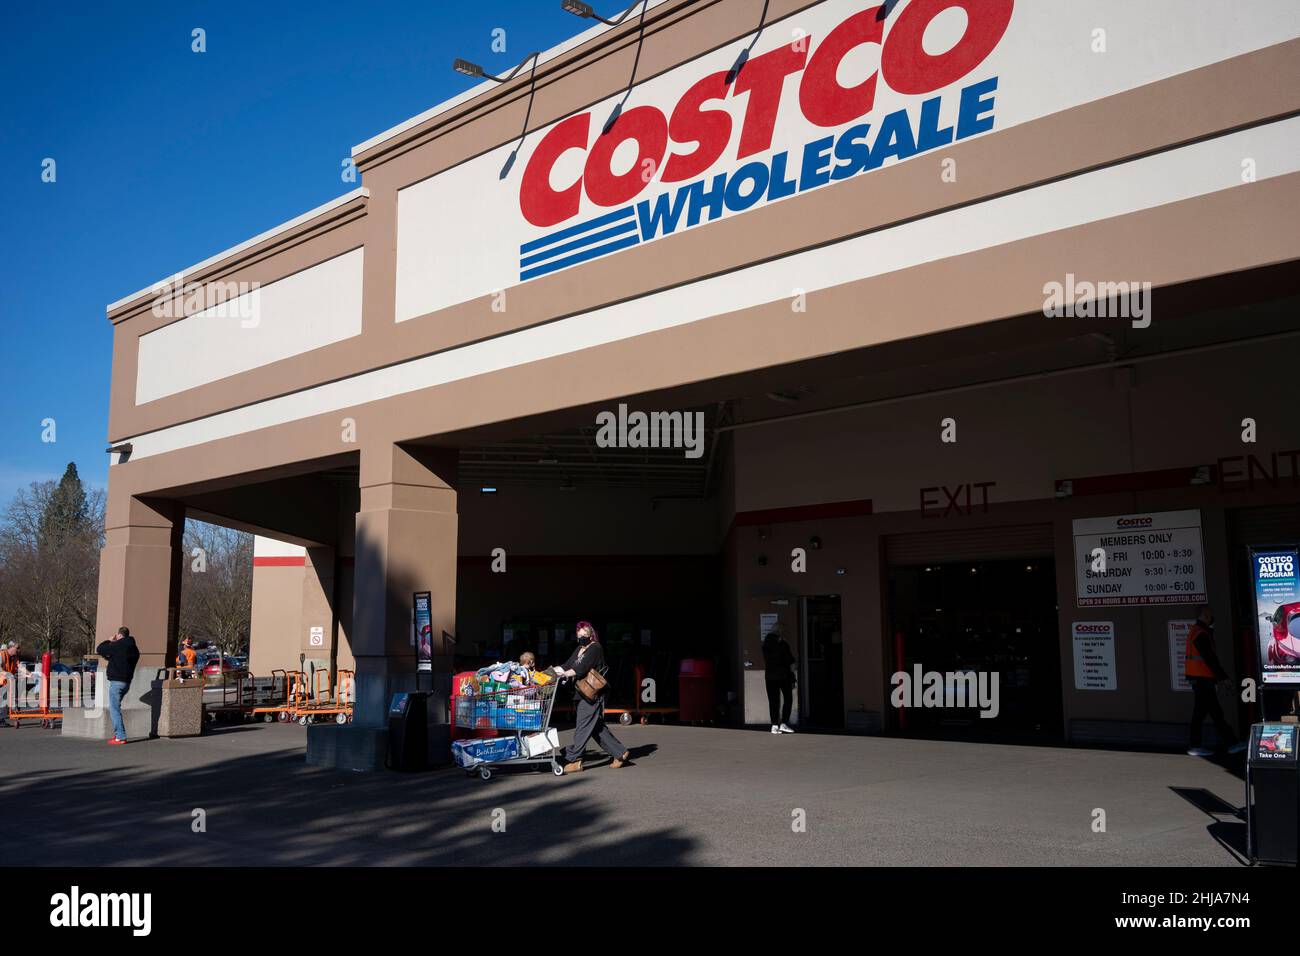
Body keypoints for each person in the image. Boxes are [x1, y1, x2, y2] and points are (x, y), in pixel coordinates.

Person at [556, 621, 629, 772]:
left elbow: (580, 669)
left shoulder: (595, 648)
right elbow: (567, 664)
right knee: (596, 727)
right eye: (580, 634)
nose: (582, 637)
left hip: (592, 694)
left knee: (582, 726)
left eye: (585, 634)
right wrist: (549, 672)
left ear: (591, 635)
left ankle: (574, 759)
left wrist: (564, 674)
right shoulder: (580, 649)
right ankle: (620, 753)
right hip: (581, 693)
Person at [1185, 605, 1246, 757]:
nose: (1212, 617)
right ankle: (1231, 744)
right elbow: (1210, 660)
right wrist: (1224, 678)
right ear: (1205, 615)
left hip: (1198, 679)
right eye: (1210, 614)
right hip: (1203, 679)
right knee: (1214, 713)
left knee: (1205, 713)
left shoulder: (1196, 631)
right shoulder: (1201, 633)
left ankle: (1197, 745)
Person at [96, 626, 140, 745]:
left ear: (119, 635)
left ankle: (120, 736)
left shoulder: (117, 645)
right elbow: (119, 658)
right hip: (127, 682)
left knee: (114, 709)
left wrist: (110, 641)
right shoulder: (134, 649)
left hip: (116, 682)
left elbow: (100, 649)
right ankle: (119, 735)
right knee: (116, 707)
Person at [762, 631, 797, 734]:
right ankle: (784, 723)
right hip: (783, 676)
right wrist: (793, 676)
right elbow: (790, 661)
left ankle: (774, 725)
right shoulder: (783, 645)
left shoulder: (765, 647)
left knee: (773, 701)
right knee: (788, 699)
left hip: (770, 677)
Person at [0, 640, 18, 726]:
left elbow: (19, 667)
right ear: (11, 647)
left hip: (5, 683)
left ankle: (1, 719)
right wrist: (7, 674)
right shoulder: (2, 654)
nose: (18, 650)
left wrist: (30, 674)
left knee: (4, 701)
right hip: (2, 681)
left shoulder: (14, 658)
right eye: (17, 648)